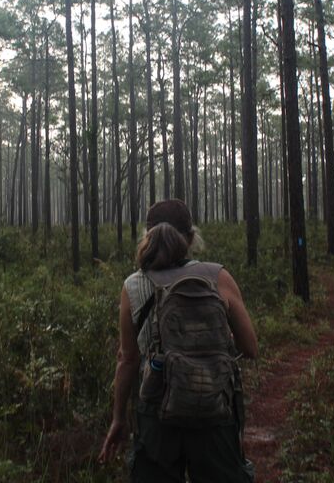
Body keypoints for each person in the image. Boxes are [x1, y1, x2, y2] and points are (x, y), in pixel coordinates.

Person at [99, 199, 258, 482]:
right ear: (191, 237)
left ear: (147, 237)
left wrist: (118, 419)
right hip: (214, 405)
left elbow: (127, 359)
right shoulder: (218, 276)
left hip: (157, 411)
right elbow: (250, 348)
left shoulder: (133, 285)